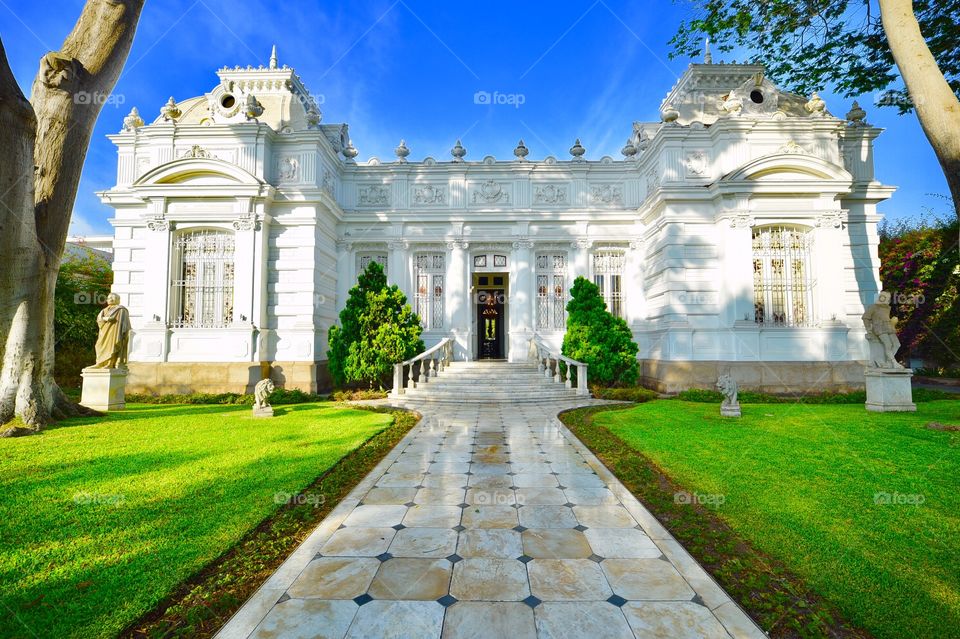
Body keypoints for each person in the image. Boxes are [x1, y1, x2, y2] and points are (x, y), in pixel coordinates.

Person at [861, 291, 903, 369]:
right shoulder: (873, 307)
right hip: (879, 328)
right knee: (888, 345)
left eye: (889, 298)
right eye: (887, 298)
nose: (888, 300)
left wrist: (893, 321)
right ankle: (894, 362)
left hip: (889, 327)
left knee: (897, 344)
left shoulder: (887, 308)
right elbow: (865, 318)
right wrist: (869, 329)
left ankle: (888, 362)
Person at [91, 293, 131, 369]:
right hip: (104, 332)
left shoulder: (121, 310)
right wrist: (105, 319)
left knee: (112, 346)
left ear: (117, 300)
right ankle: (100, 362)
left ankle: (110, 363)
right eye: (109, 298)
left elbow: (124, 323)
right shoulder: (104, 310)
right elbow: (99, 319)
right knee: (99, 345)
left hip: (115, 332)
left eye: (113, 298)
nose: (110, 299)